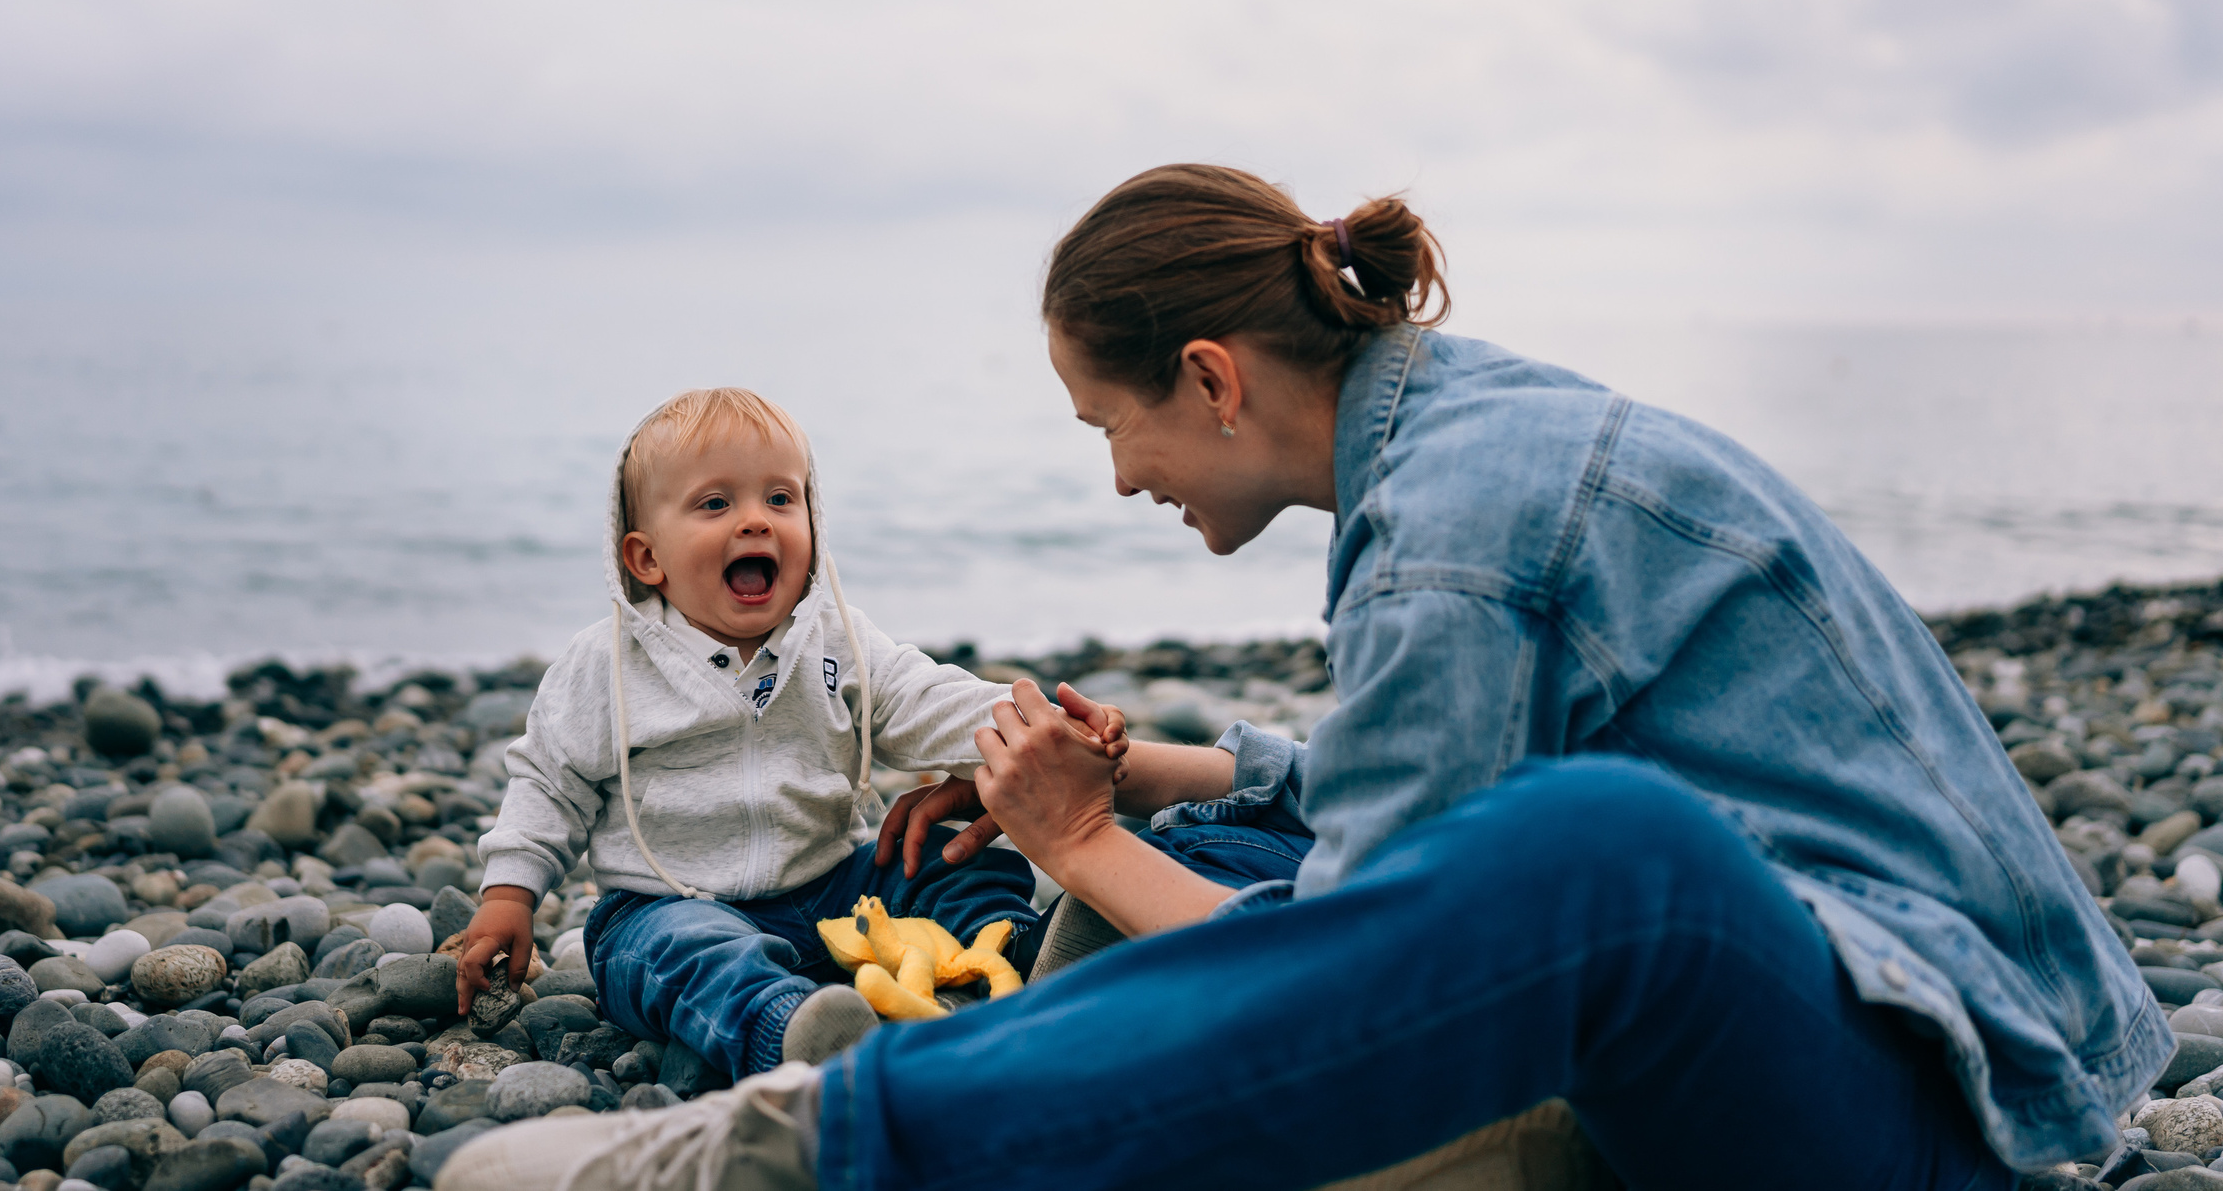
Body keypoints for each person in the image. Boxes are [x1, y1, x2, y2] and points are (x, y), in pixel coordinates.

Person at [441, 167, 2165, 1191]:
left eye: (1110, 427)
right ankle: (1067, 1065)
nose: (1122, 476)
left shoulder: (1455, 530)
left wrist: (1068, 845)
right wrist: (1147, 784)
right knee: (1291, 864)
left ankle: (817, 1147)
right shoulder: (1456, 429)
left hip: (1939, 1117)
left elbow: (1377, 957)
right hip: (1824, 1021)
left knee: (1596, 855)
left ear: (1205, 376)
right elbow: (1392, 800)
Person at [451, 387, 1122, 1083]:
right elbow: (549, 781)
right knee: (677, 951)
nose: (755, 522)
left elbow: (925, 700)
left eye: (780, 499)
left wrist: (1041, 726)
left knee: (947, 863)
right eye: (716, 504)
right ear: (646, 558)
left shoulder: (837, 642)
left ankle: (1022, 951)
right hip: (668, 900)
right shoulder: (608, 664)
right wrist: (510, 893)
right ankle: (795, 1031)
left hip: (833, 887)